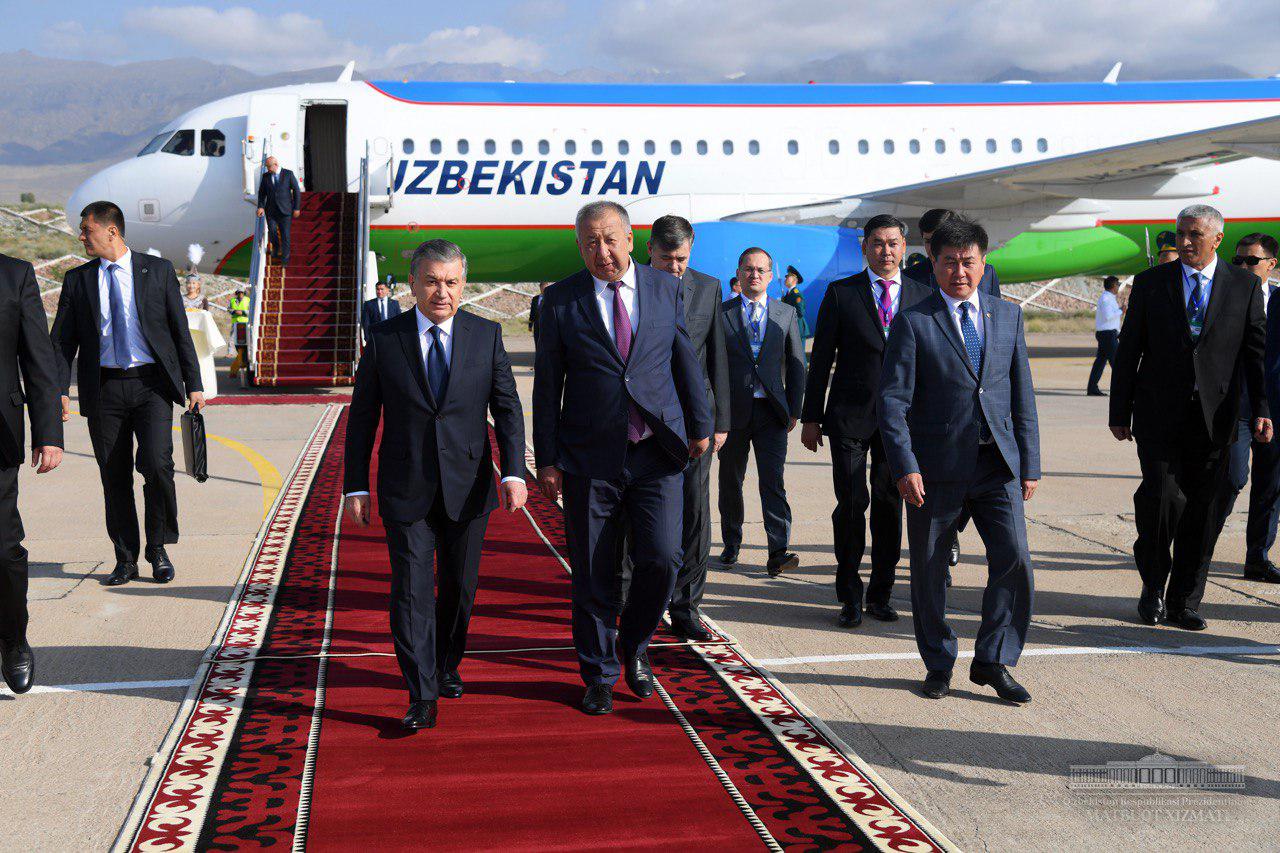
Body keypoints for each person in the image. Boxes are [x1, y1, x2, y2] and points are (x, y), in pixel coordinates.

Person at [533, 201, 711, 716]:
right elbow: (548, 389)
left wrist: (699, 424)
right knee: (594, 572)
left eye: (610, 239)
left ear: (631, 239)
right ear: (579, 246)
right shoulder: (561, 302)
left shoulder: (663, 288)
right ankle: (598, 674)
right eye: (590, 242)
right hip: (591, 457)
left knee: (661, 559)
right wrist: (547, 459)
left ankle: (633, 646)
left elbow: (684, 359)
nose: (602, 251)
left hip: (657, 451)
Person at [344, 239, 526, 731]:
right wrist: (355, 486)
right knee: (410, 592)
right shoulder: (385, 339)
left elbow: (507, 409)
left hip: (469, 488)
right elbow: (362, 419)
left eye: (451, 282)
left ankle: (446, 662)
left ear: (463, 285)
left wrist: (512, 471)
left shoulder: (486, 336)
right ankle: (421, 691)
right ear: (413, 284)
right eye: (431, 281)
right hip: (406, 487)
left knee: (459, 590)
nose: (441, 292)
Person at [879, 215, 1040, 703]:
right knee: (929, 572)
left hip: (997, 467)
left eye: (968, 262)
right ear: (934, 264)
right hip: (934, 471)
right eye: (949, 263)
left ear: (983, 261)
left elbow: (1022, 395)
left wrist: (1030, 462)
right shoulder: (913, 322)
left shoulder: (1006, 315)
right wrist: (905, 465)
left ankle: (994, 660)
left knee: (1014, 561)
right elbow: (892, 403)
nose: (960, 272)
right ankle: (939, 661)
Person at [1111, 205, 1272, 631]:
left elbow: (1255, 355)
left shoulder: (1244, 286)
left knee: (1203, 510)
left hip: (1216, 419)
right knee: (1161, 501)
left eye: (1194, 235)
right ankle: (1152, 583)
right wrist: (1119, 409)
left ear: (1217, 239)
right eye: (1181, 233)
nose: (1183, 242)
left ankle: (1184, 600)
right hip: (1158, 415)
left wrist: (1261, 409)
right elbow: (1129, 351)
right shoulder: (1151, 283)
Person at [51, 201, 205, 586]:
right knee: (113, 475)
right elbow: (62, 342)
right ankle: (125, 558)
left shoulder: (158, 271)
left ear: (111, 231)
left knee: (157, 465)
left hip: (151, 385)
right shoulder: (78, 280)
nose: (82, 236)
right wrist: (56, 390)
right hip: (103, 389)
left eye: (87, 230)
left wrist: (194, 383)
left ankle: (158, 549)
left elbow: (178, 331)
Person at [801, 215, 932, 627]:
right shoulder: (842, 294)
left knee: (891, 506)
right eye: (877, 243)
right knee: (852, 504)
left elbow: (932, 364)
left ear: (904, 245)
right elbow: (820, 359)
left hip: (902, 423)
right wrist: (811, 417)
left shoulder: (922, 295)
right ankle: (849, 595)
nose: (886, 251)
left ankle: (881, 593)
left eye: (893, 243)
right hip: (849, 418)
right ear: (864, 247)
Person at [643, 215, 729, 640]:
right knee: (648, 516)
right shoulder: (632, 287)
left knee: (695, 512)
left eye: (682, 258)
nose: (675, 267)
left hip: (696, 424)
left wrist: (720, 422)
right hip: (647, 423)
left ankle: (687, 606)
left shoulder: (708, 288)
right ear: (649, 252)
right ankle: (640, 600)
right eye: (666, 259)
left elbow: (717, 358)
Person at [903, 208, 1003, 573]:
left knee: (1009, 552)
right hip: (933, 403)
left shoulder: (986, 274)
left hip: (980, 421)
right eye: (929, 243)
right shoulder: (913, 276)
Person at [718, 247, 805, 577]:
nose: (754, 275)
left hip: (771, 412)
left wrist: (795, 409)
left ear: (770, 276)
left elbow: (798, 364)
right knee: (730, 481)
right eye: (748, 269)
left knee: (773, 482)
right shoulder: (722, 312)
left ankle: (778, 550)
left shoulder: (785, 314)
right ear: (739, 273)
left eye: (761, 270)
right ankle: (731, 541)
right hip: (733, 413)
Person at [0, 253, 63, 695]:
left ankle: (13, 639)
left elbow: (38, 358)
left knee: (2, 549)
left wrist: (48, 433)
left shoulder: (13, 275)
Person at [1216, 234, 1280, 584]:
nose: (1242, 267)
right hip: (1238, 408)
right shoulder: (1225, 297)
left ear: (1271, 265)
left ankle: (1257, 557)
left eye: (1251, 261)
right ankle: (1202, 546)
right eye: (1237, 261)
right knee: (1232, 479)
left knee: (1271, 487)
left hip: (1276, 410)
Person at [903, 208, 1003, 298]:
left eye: (939, 241)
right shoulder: (909, 278)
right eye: (928, 241)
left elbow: (995, 312)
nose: (933, 247)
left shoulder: (987, 273)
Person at [255, 156, 301, 267]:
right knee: (272, 231)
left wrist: (296, 207)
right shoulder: (265, 177)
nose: (267, 169)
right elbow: (262, 193)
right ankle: (276, 247)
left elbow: (296, 190)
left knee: (285, 235)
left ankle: (285, 260)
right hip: (271, 211)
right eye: (266, 167)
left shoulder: (288, 174)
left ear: (275, 165)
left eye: (268, 166)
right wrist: (260, 206)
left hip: (285, 211)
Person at [1087, 276, 1123, 396]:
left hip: (1106, 333)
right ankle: (1122, 388)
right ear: (1113, 286)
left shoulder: (1109, 298)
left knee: (1100, 362)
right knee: (1117, 362)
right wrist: (1121, 311)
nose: (1118, 287)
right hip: (1107, 334)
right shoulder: (1106, 299)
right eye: (1117, 284)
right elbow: (1108, 316)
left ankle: (1092, 387)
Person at [780, 265, 811, 340]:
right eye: (786, 276)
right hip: (791, 329)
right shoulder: (788, 294)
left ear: (794, 280)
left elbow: (800, 313)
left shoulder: (796, 294)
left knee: (798, 352)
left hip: (798, 329)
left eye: (788, 276)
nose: (786, 278)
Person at [227, 288, 250, 382]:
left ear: (244, 293)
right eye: (239, 293)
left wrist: (243, 312)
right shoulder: (233, 301)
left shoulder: (248, 300)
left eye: (242, 293)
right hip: (235, 323)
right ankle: (230, 352)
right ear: (236, 293)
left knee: (243, 346)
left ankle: (237, 367)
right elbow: (229, 309)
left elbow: (251, 310)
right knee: (232, 340)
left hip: (245, 323)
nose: (240, 294)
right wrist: (235, 312)